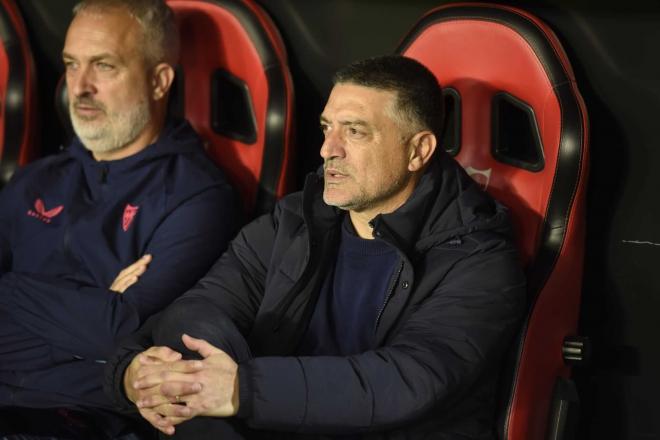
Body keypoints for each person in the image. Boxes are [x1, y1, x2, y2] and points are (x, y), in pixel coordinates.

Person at [106, 55, 526, 439]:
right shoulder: (292, 222)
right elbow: (198, 307)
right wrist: (136, 374)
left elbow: (408, 381)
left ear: (418, 151)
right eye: (327, 128)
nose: (328, 149)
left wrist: (240, 389)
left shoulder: (478, 260)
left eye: (356, 132)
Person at [0, 0, 237, 437]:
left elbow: (124, 331)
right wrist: (91, 306)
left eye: (104, 66)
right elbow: (104, 323)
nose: (80, 86)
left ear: (159, 80)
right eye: (72, 65)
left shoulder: (196, 197)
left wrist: (9, 290)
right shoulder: (35, 179)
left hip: (80, 417)